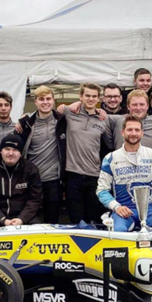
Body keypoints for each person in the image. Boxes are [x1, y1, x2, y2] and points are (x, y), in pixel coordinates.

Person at [0, 85, 66, 224]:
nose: (45, 102)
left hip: (54, 180)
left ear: (53, 101)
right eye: (41, 99)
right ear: (35, 102)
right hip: (31, 179)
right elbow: (7, 146)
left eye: (48, 99)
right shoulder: (26, 124)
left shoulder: (62, 121)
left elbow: (83, 109)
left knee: (52, 221)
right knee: (31, 220)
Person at [59, 83, 111, 224]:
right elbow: (45, 112)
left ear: (99, 99)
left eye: (94, 96)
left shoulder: (103, 118)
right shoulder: (69, 112)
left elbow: (110, 143)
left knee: (92, 217)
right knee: (76, 219)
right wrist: (23, 119)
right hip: (72, 174)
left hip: (94, 175)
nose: (91, 99)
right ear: (81, 96)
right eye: (87, 95)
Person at [0, 134, 43, 229]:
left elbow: (35, 199)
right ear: (1, 151)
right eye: (7, 149)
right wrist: (3, 220)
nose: (11, 153)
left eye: (15, 150)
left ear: (21, 153)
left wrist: (21, 219)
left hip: (24, 216)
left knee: (37, 229)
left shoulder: (31, 169)